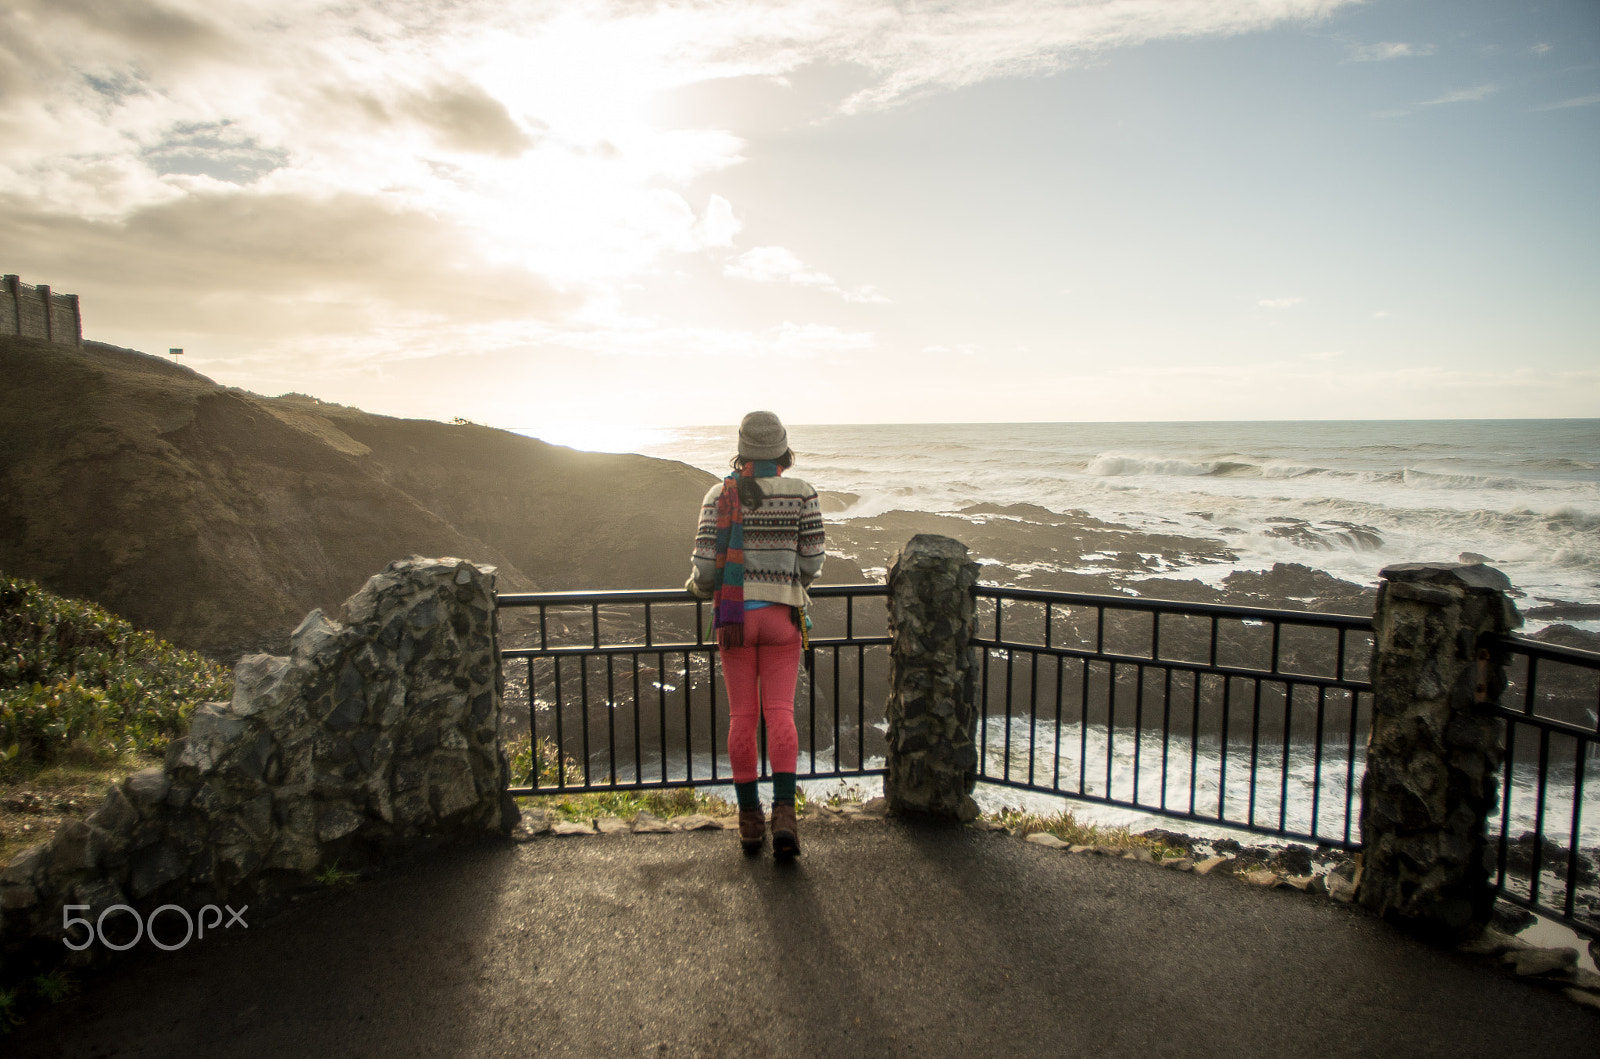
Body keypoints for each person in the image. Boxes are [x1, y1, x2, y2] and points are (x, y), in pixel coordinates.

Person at [685, 411, 825, 858]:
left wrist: (698, 587)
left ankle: (749, 823)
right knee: (779, 713)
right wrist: (786, 576)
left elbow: (706, 568)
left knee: (743, 718)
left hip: (735, 619)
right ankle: (785, 815)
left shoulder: (718, 494)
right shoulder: (802, 493)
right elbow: (811, 563)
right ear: (783, 451)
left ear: (741, 449)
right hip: (783, 618)